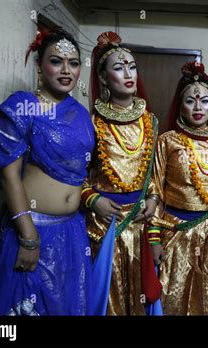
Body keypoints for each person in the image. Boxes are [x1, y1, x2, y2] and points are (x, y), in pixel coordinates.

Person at [0, 28, 95, 315]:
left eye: (74, 63)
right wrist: (28, 237)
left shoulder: (79, 112)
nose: (66, 70)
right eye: (56, 61)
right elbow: (9, 178)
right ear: (39, 66)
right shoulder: (21, 107)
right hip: (33, 229)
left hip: (72, 231)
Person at [144, 61, 208, 315]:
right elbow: (154, 190)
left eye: (205, 101)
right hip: (175, 232)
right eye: (190, 101)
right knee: (172, 300)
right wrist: (154, 239)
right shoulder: (167, 142)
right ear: (180, 105)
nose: (198, 107)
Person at [82, 31, 159, 315]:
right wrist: (93, 200)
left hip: (139, 224)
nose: (128, 73)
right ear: (103, 78)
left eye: (132, 66)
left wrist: (152, 201)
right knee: (106, 298)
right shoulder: (90, 123)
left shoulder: (150, 121)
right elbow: (75, 177)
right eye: (118, 67)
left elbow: (154, 177)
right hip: (104, 224)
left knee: (139, 298)